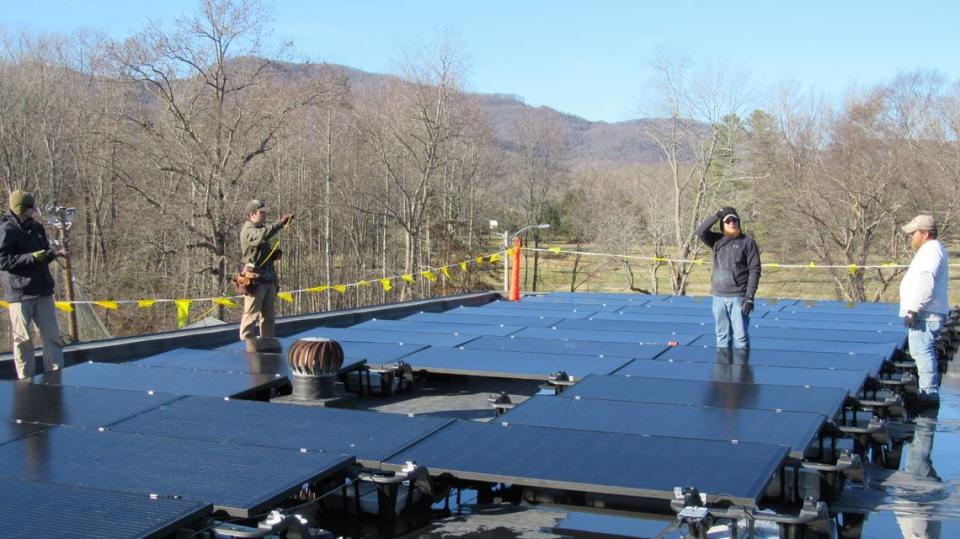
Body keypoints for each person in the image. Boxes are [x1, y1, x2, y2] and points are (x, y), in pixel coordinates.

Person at [0, 191, 66, 379]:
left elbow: (42, 254)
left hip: (43, 290)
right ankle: (25, 380)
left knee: (52, 337)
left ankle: (55, 377)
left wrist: (49, 255)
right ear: (20, 209)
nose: (33, 211)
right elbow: (3, 261)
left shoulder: (37, 228)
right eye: (30, 208)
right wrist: (31, 258)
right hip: (20, 294)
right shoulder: (7, 230)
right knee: (23, 340)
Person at [899, 214, 950, 406]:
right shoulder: (932, 250)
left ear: (925, 234)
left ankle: (928, 394)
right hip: (926, 312)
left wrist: (913, 308)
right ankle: (927, 391)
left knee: (922, 351)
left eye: (914, 233)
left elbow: (927, 281)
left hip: (925, 313)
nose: (911, 237)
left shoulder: (931, 251)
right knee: (921, 351)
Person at [696, 206, 761, 349]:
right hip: (718, 297)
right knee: (722, 337)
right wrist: (717, 214)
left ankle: (742, 370)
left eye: (735, 220)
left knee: (741, 337)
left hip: (739, 297)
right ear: (722, 224)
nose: (732, 222)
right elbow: (700, 231)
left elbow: (755, 270)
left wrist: (750, 296)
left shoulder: (748, 243)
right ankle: (724, 369)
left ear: (739, 222)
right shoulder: (717, 241)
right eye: (728, 220)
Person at [238, 199, 293, 343]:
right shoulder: (248, 229)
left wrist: (272, 254)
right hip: (254, 278)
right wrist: (280, 223)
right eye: (261, 212)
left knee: (268, 317)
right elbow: (262, 235)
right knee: (251, 315)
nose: (265, 214)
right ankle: (246, 345)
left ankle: (268, 343)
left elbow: (263, 239)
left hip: (268, 278)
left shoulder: (260, 228)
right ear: (252, 214)